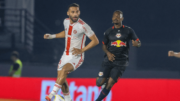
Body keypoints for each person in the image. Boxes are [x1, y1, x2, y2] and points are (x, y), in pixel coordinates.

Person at [44, 3, 99, 101]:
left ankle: (52, 94)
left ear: (79, 12)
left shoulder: (83, 26)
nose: (75, 14)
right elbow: (67, 32)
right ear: (68, 13)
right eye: (73, 12)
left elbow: (95, 41)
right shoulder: (65, 22)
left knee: (64, 70)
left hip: (77, 56)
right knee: (62, 78)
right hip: (65, 54)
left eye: (77, 12)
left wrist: (82, 50)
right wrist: (52, 36)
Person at [95, 10, 141, 101]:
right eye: (114, 16)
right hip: (108, 60)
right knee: (99, 82)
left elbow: (138, 42)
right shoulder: (108, 32)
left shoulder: (128, 30)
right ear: (112, 18)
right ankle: (104, 82)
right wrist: (108, 53)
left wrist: (137, 44)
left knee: (110, 83)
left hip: (121, 62)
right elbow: (104, 45)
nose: (116, 18)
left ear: (122, 18)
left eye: (118, 16)